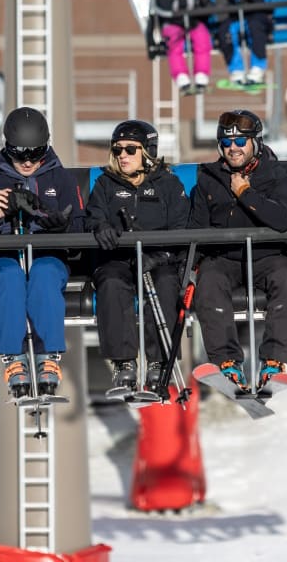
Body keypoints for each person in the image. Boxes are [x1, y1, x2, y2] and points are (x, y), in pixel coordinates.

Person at [0, 107, 84, 399]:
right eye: (20, 155)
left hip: (48, 254)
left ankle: (48, 356)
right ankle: (14, 357)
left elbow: (80, 226)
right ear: (7, 149)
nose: (29, 162)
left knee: (44, 275)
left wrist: (58, 223)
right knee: (9, 277)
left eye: (36, 153)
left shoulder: (61, 180)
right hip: (3, 255)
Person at [188, 109, 287, 391]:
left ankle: (273, 362)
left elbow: (283, 220)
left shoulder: (275, 176)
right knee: (209, 280)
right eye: (226, 143)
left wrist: (245, 194)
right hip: (224, 258)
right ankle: (227, 362)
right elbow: (195, 227)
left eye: (241, 142)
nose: (233, 149)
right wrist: (191, 266)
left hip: (266, 256)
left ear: (255, 143)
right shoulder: (208, 179)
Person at [86, 120, 189, 391]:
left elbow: (181, 227)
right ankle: (124, 363)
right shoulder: (105, 184)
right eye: (117, 149)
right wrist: (100, 226)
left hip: (159, 259)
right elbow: (92, 215)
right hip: (118, 259)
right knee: (111, 282)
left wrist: (161, 255)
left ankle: (158, 362)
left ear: (147, 151)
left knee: (166, 282)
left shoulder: (168, 184)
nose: (122, 155)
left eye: (130, 149)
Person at [153, 0, 212, 96]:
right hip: (173, 23)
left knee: (203, 39)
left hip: (193, 21)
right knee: (174, 45)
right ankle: (181, 78)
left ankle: (201, 76)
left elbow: (204, 1)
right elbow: (163, 5)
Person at [211, 0, 273, 87]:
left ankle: (257, 69)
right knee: (225, 31)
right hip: (236, 14)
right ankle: (236, 70)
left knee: (255, 26)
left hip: (257, 14)